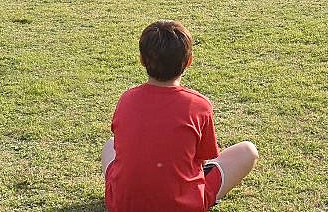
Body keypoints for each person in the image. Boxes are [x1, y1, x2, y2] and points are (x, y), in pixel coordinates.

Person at [102, 20, 258, 212]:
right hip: (183, 205)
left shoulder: (126, 99)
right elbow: (202, 161)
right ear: (189, 61)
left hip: (122, 205)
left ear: (142, 60)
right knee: (248, 151)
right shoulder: (199, 105)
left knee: (109, 145)